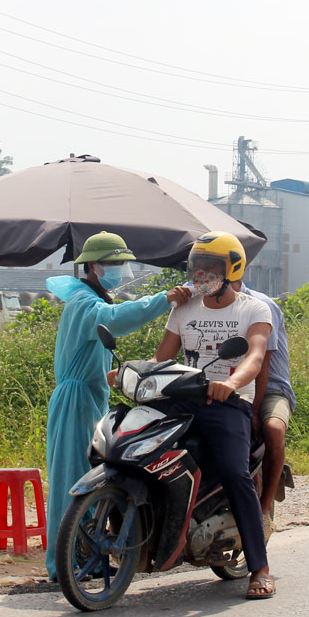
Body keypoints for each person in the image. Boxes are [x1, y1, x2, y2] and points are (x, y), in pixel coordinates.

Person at [44, 231, 191, 580]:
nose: (120, 270)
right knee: (74, 479)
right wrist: (163, 300)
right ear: (93, 267)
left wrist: (128, 373)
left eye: (123, 264)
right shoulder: (84, 302)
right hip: (76, 401)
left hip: (91, 395)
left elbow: (93, 359)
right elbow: (115, 319)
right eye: (113, 264)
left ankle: (87, 557)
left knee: (90, 478)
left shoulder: (91, 297)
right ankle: (65, 564)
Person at [154, 231, 276, 599]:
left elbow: (255, 355)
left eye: (210, 267)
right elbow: (163, 358)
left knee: (235, 474)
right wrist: (134, 372)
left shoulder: (254, 309)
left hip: (228, 404)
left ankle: (260, 567)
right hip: (184, 400)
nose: (201, 274)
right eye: (197, 266)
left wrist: (233, 382)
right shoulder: (185, 308)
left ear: (232, 269)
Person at [231, 278, 295, 539]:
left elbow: (262, 365)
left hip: (269, 389)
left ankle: (265, 507)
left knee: (273, 428)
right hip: (229, 385)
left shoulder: (261, 306)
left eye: (214, 269)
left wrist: (254, 410)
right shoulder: (205, 306)